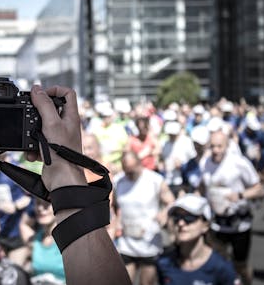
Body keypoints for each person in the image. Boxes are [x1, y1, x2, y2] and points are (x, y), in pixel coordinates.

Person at [26, 85, 131, 284]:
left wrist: (64, 175)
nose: (88, 152)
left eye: (91, 148)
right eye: (85, 148)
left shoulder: (103, 175)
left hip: (98, 234)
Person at [199, 130, 264, 285]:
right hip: (217, 224)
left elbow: (259, 188)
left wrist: (240, 195)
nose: (215, 150)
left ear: (227, 146)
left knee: (240, 265)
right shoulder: (205, 163)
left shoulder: (239, 163)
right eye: (212, 146)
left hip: (239, 224)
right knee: (219, 263)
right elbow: (203, 186)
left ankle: (247, 281)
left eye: (219, 146)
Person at [113, 151, 175, 285]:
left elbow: (171, 201)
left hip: (149, 241)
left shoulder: (154, 180)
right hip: (127, 241)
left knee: (145, 283)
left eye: (132, 171)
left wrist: (164, 213)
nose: (129, 174)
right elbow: (114, 206)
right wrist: (116, 223)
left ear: (140, 164)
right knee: (124, 280)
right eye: (126, 171)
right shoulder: (118, 181)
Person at [157, 194, 239, 285]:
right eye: (177, 217)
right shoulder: (164, 262)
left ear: (205, 225)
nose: (181, 223)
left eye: (189, 218)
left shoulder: (222, 267)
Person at [19, 198, 65, 284]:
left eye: (47, 204)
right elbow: (23, 224)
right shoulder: (34, 240)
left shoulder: (68, 238)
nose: (40, 208)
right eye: (37, 203)